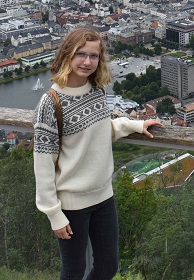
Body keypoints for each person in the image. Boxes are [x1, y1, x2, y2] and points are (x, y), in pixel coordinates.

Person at [34, 27, 161, 280]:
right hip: (71, 204)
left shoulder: (96, 90)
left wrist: (134, 125)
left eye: (94, 56)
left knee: (107, 267)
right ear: (67, 54)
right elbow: (43, 163)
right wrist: (53, 214)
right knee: (73, 272)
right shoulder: (51, 103)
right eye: (81, 54)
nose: (87, 62)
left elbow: (101, 130)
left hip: (104, 195)